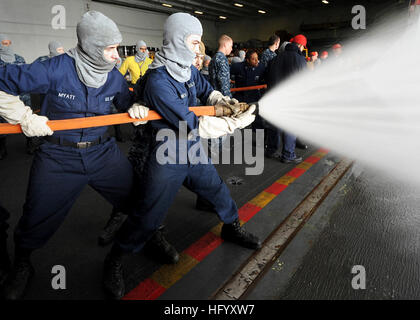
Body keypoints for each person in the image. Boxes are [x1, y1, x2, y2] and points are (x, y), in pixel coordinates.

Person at [102, 12, 261, 300]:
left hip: (191, 148)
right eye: (194, 41)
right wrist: (231, 123)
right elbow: (188, 121)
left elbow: (205, 89)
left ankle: (232, 226)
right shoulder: (157, 80)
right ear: (176, 40)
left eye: (200, 42)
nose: (198, 49)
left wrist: (223, 101)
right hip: (166, 151)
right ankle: (115, 259)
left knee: (216, 190)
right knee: (148, 213)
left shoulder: (186, 70)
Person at [0, 11, 151, 300]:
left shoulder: (114, 76)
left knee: (138, 200)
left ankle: (120, 248)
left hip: (104, 153)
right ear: (93, 47)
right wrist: (21, 115)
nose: (117, 56)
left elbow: (127, 101)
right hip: (58, 156)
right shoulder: (54, 68)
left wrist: (138, 105)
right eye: (110, 48)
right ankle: (22, 264)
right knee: (34, 217)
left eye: (118, 48)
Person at [265, 35, 308, 164]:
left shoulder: (275, 58)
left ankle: (271, 150)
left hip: (273, 97)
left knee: (274, 124)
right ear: (300, 46)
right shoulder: (300, 60)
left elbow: (267, 77)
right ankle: (288, 154)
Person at [0, 34, 32, 160]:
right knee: (2, 121)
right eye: (3, 43)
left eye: (8, 43)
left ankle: (31, 143)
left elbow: (26, 76)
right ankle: (2, 147)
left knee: (27, 119)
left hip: (22, 95)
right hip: (4, 98)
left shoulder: (19, 58)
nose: (6, 46)